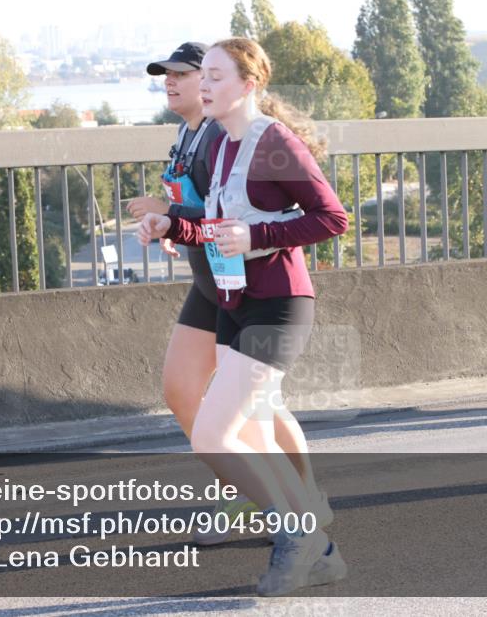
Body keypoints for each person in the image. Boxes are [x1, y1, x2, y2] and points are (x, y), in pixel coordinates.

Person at [138, 37, 348, 596]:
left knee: (214, 432)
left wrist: (258, 236)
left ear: (248, 84)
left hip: (277, 303)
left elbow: (332, 217)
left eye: (215, 76)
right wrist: (171, 226)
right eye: (202, 75)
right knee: (251, 433)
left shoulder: (272, 142)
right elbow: (217, 226)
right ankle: (319, 550)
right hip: (233, 302)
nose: (204, 85)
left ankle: (298, 538)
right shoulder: (223, 145)